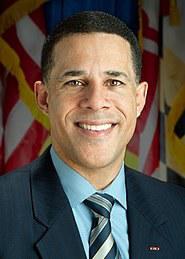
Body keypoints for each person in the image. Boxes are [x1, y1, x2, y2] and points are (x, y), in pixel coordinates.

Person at [0, 11, 185, 259]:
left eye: (114, 82)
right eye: (75, 82)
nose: (96, 102)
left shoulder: (179, 209)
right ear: (43, 98)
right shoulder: (5, 210)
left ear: (139, 99)